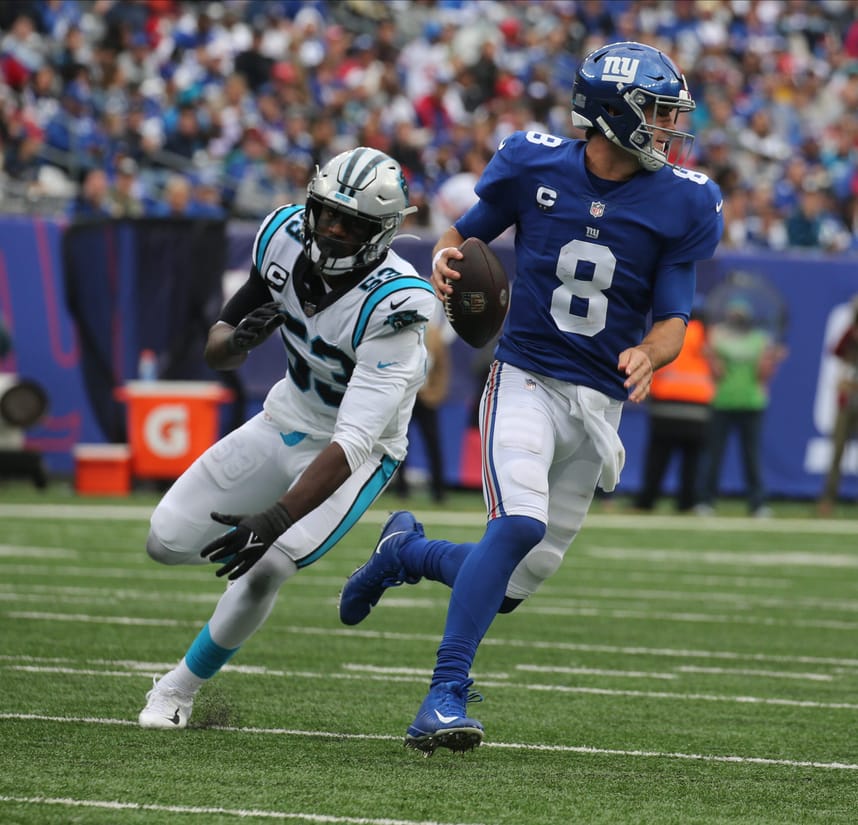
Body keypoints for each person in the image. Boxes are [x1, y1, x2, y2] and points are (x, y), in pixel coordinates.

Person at [337, 41, 724, 754]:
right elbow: (461, 235)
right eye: (658, 112)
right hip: (525, 377)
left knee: (511, 585)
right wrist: (445, 257)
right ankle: (443, 694)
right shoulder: (533, 162)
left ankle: (406, 552)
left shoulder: (684, 199)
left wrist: (650, 352)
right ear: (613, 114)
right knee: (515, 527)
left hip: (599, 403)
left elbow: (674, 316)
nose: (671, 127)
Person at [137, 147, 435, 729]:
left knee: (268, 566)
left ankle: (177, 691)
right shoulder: (281, 235)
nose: (332, 229)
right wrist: (238, 341)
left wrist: (273, 520)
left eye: (351, 223)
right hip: (283, 417)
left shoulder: (396, 303)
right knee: (164, 541)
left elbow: (351, 443)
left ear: (383, 233)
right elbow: (218, 348)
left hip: (356, 452)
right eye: (326, 213)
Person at [695, 297, 787, 517]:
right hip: (723, 401)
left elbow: (762, 376)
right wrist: (711, 358)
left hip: (751, 402)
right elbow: (716, 373)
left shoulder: (759, 340)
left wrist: (772, 361)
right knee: (714, 454)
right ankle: (705, 501)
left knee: (751, 456)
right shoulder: (718, 336)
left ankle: (757, 503)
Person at [633, 302, 714, 512]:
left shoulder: (668, 333)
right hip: (698, 407)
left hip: (665, 405)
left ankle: (646, 501)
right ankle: (687, 503)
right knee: (692, 460)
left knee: (657, 458)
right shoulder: (707, 337)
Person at [393, 303, 451, 502]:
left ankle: (438, 490)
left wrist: (436, 393)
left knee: (433, 444)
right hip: (406, 397)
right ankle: (401, 488)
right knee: (400, 444)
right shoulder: (403, 334)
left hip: (427, 397)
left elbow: (442, 368)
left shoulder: (434, 334)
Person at [817, 296, 858, 516]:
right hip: (848, 397)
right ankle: (827, 499)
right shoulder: (850, 334)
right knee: (837, 451)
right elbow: (836, 351)